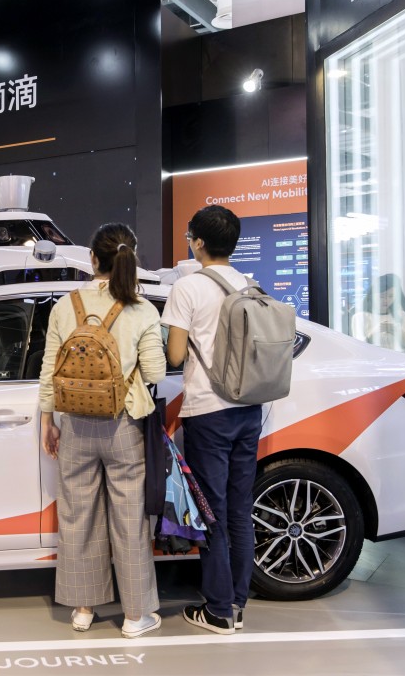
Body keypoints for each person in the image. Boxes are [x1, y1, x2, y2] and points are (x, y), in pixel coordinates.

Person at [38, 223, 167, 638]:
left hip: (75, 424)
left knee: (78, 516)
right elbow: (155, 372)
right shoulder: (142, 310)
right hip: (123, 424)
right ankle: (134, 616)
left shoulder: (66, 306)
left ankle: (83, 609)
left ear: (93, 259)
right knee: (129, 519)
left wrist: (47, 419)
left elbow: (49, 369)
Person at [161, 205, 260, 635]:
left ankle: (218, 610)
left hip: (208, 410)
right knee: (239, 509)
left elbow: (174, 355)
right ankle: (236, 602)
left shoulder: (188, 287)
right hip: (249, 408)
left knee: (212, 511)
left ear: (198, 242)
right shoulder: (251, 285)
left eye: (190, 237)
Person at [351, 273, 405, 353]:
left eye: (391, 296)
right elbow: (358, 348)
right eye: (381, 296)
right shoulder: (360, 317)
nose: (386, 300)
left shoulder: (402, 315)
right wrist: (376, 331)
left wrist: (397, 332)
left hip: (397, 359)